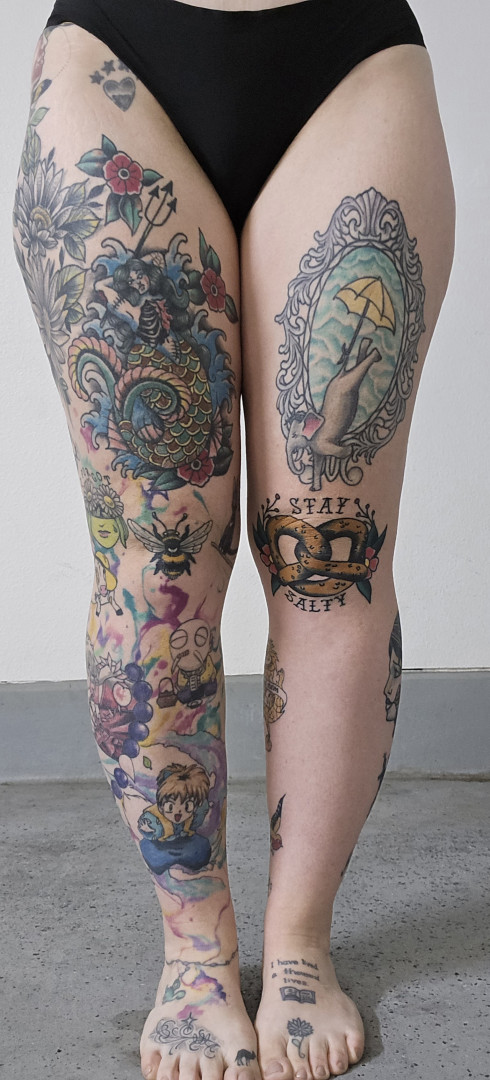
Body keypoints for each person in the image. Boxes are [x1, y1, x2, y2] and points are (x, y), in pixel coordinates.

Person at [12, 1, 455, 1078]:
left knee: (330, 553)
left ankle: (299, 949)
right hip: (116, 53)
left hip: (348, 58)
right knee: (153, 552)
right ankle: (195, 954)